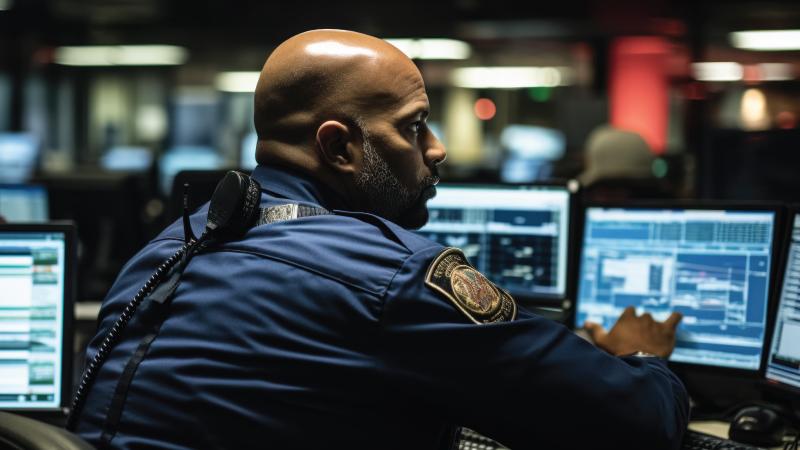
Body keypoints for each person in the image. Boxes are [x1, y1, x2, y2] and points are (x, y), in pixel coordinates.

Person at [74, 29, 689, 449]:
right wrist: (646, 360)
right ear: (339, 147)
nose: (438, 149)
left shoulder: (161, 254)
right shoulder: (392, 277)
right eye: (414, 127)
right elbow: (634, 424)